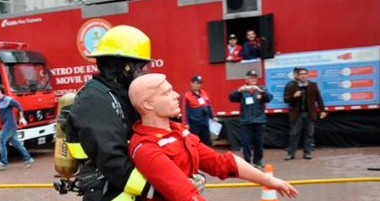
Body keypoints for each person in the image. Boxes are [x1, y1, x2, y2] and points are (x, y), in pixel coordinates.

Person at [127, 73, 299, 201]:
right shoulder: (145, 147)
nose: (176, 95)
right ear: (147, 104)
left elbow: (221, 162)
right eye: (166, 93)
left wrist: (267, 179)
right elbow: (185, 195)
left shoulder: (178, 131)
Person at [66, 25, 159, 201]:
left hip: (128, 189)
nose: (144, 72)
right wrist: (159, 190)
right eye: (141, 66)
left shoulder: (122, 94)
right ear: (124, 66)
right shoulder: (94, 100)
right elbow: (111, 160)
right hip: (110, 192)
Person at [229, 70, 273, 168]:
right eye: (251, 78)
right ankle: (247, 161)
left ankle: (258, 161)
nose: (253, 80)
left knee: (259, 142)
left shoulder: (261, 88)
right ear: (247, 79)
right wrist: (238, 91)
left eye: (255, 78)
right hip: (246, 121)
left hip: (259, 120)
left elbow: (269, 98)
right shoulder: (243, 90)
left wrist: (261, 91)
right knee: (246, 143)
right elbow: (231, 97)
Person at [283, 67, 327, 160]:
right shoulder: (292, 86)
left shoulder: (313, 85)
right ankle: (291, 154)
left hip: (310, 113)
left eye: (305, 74)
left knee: (309, 134)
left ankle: (307, 153)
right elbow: (286, 99)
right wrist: (294, 96)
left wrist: (322, 110)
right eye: (301, 74)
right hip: (297, 114)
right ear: (297, 75)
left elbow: (318, 99)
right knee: (294, 134)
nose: (303, 76)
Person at [0, 83, 34, 170]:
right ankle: (28, 159)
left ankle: (3, 163)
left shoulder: (8, 99)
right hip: (10, 125)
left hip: (8, 125)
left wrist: (21, 118)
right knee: (16, 143)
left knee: (1, 141)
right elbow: (0, 111)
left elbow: (19, 106)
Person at [181, 75, 216, 146]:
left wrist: (213, 116)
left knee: (206, 141)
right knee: (195, 141)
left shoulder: (203, 93)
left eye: (200, 83)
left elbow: (209, 105)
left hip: (205, 121)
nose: (199, 85)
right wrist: (185, 123)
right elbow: (184, 110)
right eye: (197, 83)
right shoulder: (187, 95)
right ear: (192, 83)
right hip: (194, 123)